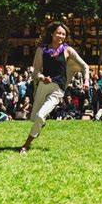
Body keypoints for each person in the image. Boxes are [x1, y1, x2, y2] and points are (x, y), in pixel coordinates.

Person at [20, 22, 89, 154]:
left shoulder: (68, 50)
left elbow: (85, 66)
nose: (61, 36)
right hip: (43, 86)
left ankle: (26, 145)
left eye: (63, 34)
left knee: (40, 116)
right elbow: (35, 72)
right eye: (58, 33)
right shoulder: (42, 50)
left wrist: (86, 81)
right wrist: (42, 78)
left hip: (58, 89)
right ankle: (41, 123)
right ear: (52, 34)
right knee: (35, 117)